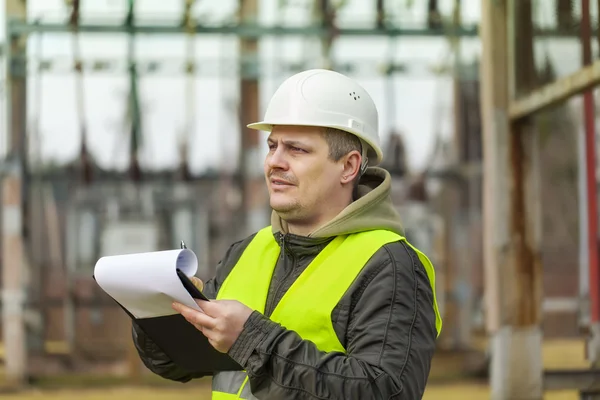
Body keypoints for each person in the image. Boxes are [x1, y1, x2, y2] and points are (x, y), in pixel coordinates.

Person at [132, 69, 442, 399]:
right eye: (272, 146)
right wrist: (158, 310)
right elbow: (177, 363)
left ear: (349, 167)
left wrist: (252, 339)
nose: (274, 162)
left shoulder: (389, 266)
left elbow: (387, 391)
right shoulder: (250, 250)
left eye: (296, 149)